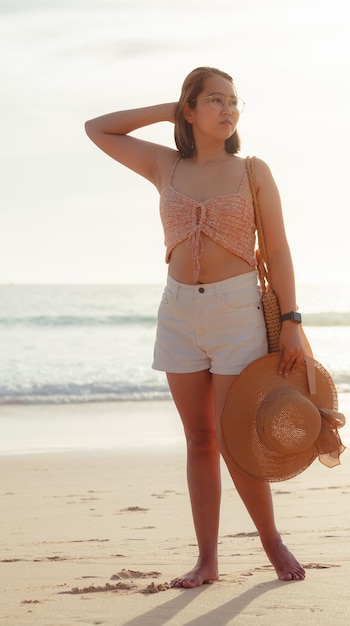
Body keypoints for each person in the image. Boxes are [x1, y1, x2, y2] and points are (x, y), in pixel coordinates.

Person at [85, 66, 306, 586]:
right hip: (178, 313)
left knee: (235, 439)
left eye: (233, 101)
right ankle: (207, 560)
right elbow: (98, 127)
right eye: (214, 100)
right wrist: (170, 111)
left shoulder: (253, 170)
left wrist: (293, 320)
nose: (228, 110)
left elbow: (277, 249)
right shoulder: (165, 164)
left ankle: (271, 541)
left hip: (237, 313)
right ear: (191, 110)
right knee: (199, 439)